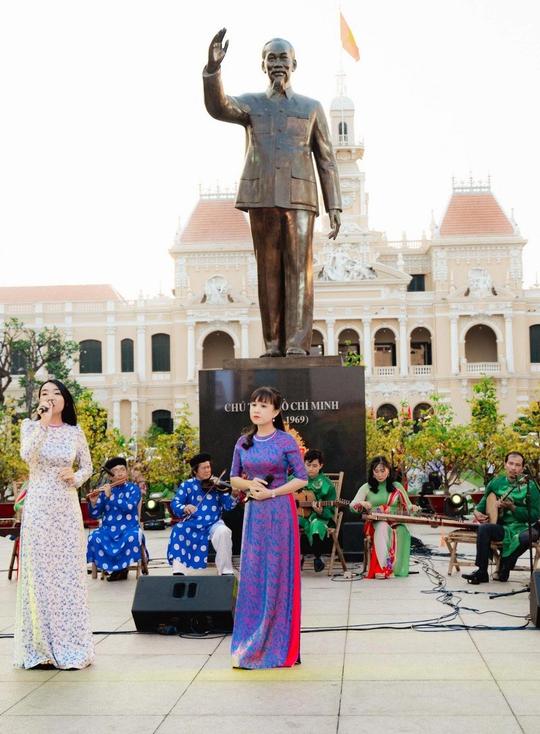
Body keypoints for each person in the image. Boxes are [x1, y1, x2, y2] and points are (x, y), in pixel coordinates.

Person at [203, 29, 342, 357]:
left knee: (299, 271)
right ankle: (273, 345)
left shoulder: (311, 107)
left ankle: (297, 344)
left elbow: (326, 159)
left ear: (294, 63)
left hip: (300, 198)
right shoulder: (251, 104)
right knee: (268, 273)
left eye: (283, 58)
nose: (278, 64)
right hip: (261, 197)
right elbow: (218, 107)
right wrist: (213, 70)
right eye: (271, 58)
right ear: (263, 65)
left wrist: (334, 205)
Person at [15, 379, 95, 670]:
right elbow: (27, 456)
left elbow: (88, 465)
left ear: (65, 400)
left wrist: (76, 477)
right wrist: (42, 423)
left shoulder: (75, 432)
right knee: (40, 575)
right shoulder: (30, 427)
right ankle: (39, 647)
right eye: (44, 394)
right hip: (39, 507)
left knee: (67, 575)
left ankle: (71, 644)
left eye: (56, 394)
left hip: (65, 508)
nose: (50, 398)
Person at [229, 386, 308, 669]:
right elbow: (233, 477)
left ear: (275, 412)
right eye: (253, 404)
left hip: (278, 511)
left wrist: (272, 493)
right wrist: (250, 485)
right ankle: (249, 642)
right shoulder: (243, 442)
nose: (256, 409)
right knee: (252, 573)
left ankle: (278, 644)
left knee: (276, 574)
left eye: (263, 405)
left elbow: (301, 479)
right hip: (254, 512)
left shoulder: (285, 440)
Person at [464, 452, 540, 585]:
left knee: (525, 538)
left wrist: (513, 508)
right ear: (505, 465)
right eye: (510, 464)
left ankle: (505, 566)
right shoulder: (495, 483)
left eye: (518, 465)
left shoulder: (531, 486)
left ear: (523, 468)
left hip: (525, 526)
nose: (513, 468)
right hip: (504, 527)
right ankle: (482, 571)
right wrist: (477, 513)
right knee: (484, 529)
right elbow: (483, 504)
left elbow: (534, 515)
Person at [168, 452, 239, 575]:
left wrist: (234, 495)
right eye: (204, 468)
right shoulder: (187, 485)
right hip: (193, 524)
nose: (208, 471)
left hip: (213, 523)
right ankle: (178, 571)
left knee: (224, 531)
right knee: (178, 529)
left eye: (209, 467)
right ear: (195, 471)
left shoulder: (217, 485)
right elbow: (175, 504)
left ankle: (226, 571)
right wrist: (185, 508)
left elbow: (228, 506)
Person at [349, 455, 415, 579]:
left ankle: (397, 570)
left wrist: (414, 509)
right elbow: (353, 505)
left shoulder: (396, 487)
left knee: (403, 531)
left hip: (394, 521)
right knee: (383, 527)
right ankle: (382, 569)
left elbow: (409, 506)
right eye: (376, 471)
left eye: (383, 471)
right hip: (374, 523)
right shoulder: (367, 487)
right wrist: (362, 504)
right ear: (372, 473)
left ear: (389, 471)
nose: (379, 474)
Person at [86, 457, 144, 582]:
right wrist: (93, 503)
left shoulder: (133, 489)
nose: (120, 473)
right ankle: (114, 570)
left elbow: (129, 507)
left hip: (129, 528)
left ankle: (121, 569)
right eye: (116, 471)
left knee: (132, 537)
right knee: (94, 537)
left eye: (122, 469)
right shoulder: (106, 490)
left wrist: (111, 497)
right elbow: (95, 515)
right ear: (110, 476)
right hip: (108, 529)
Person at [296, 448, 336, 573]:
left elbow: (331, 510)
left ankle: (318, 557)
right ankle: (298, 556)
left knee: (316, 525)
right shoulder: (296, 478)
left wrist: (321, 511)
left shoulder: (327, 485)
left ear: (321, 465)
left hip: (318, 517)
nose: (311, 469)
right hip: (301, 516)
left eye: (314, 466)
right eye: (308, 465)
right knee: (290, 522)